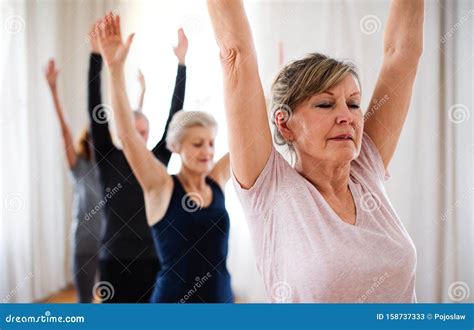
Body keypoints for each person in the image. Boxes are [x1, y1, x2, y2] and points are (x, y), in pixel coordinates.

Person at [207, 0, 423, 302]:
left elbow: (403, 55)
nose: (346, 115)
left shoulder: (366, 168)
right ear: (285, 124)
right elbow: (236, 56)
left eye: (353, 103)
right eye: (325, 104)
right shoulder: (269, 188)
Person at [95, 13, 233, 303]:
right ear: (176, 146)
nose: (207, 151)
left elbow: (248, 137)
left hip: (221, 302)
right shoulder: (161, 185)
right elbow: (130, 136)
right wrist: (115, 69)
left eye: (211, 143)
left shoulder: (218, 179)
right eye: (197, 144)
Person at [86, 21, 188, 302]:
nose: (140, 137)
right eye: (135, 131)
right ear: (124, 132)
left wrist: (181, 64)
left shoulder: (157, 158)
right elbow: (95, 109)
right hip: (114, 258)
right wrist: (97, 58)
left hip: (152, 257)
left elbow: (174, 115)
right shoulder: (107, 156)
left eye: (145, 131)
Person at [44, 58, 102, 303]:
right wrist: (54, 90)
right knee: (85, 303)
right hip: (85, 244)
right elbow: (65, 130)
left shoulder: (115, 167)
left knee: (120, 299)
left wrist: (142, 93)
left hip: (113, 245)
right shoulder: (79, 165)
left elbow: (131, 133)